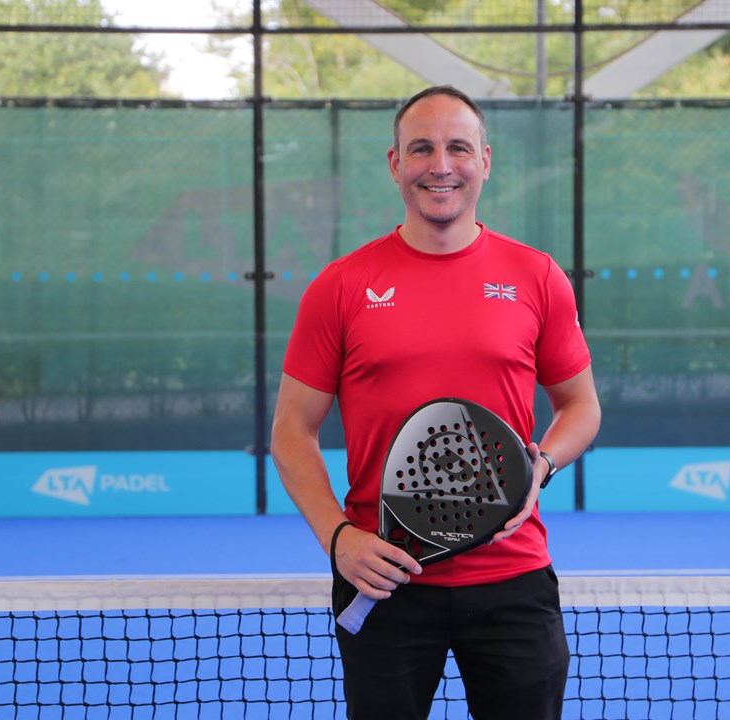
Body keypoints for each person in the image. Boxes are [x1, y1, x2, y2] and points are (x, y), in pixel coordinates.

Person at [269, 84, 601, 720]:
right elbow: (291, 432)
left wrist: (542, 464)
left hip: (513, 578)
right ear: (395, 163)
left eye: (457, 148)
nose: (440, 165)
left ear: (485, 159)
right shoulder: (340, 288)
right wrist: (338, 538)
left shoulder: (537, 276)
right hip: (382, 576)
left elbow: (581, 407)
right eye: (421, 148)